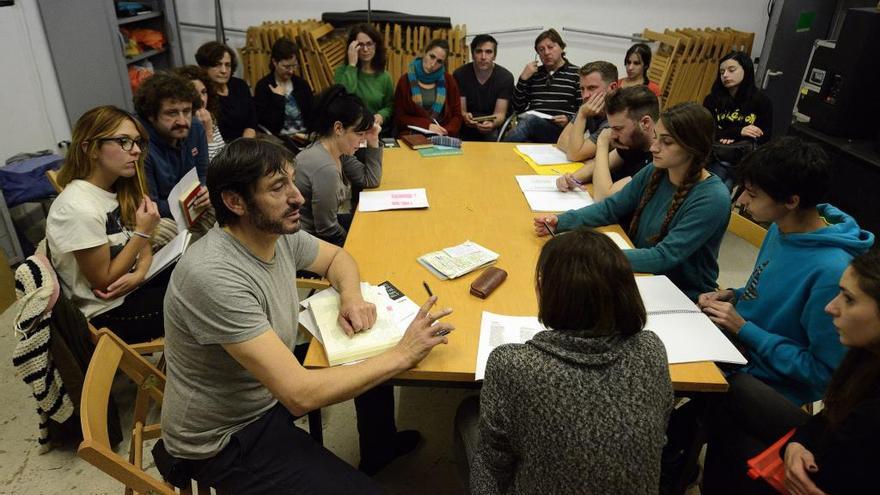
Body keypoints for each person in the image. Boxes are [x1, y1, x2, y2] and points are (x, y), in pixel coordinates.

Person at [155, 138, 453, 493]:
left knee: (366, 350)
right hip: (227, 438)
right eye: (278, 187)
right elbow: (299, 394)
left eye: (292, 181)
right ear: (235, 202)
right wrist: (403, 354)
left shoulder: (273, 234)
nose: (297, 197)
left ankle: (379, 448)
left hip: (261, 391)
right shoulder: (213, 276)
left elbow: (336, 258)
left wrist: (352, 297)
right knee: (383, 360)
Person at [463, 229, 673, 493]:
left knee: (468, 416)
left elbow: (495, 461)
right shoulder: (651, 349)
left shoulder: (511, 364)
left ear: (543, 289)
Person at [699, 136, 874, 405]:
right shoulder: (781, 228)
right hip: (740, 349)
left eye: (753, 194)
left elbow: (823, 374)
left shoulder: (832, 272)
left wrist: (745, 329)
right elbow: (770, 290)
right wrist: (733, 295)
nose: (741, 201)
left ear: (791, 201)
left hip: (770, 382)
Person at [699, 248, 880, 495]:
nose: (830, 307)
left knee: (728, 429)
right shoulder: (865, 358)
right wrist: (798, 444)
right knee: (732, 394)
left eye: (849, 299)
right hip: (824, 455)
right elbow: (832, 417)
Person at [534, 102, 730, 301]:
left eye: (667, 142)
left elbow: (664, 257)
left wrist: (594, 256)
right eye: (656, 137)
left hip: (680, 294)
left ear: (693, 147)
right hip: (639, 276)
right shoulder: (656, 171)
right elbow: (611, 208)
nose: (654, 147)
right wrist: (560, 222)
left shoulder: (712, 198)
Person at [46, 105, 164, 343]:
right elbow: (103, 280)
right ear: (90, 149)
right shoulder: (77, 207)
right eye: (124, 141)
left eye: (138, 142)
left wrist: (140, 272)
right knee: (206, 298)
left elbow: (145, 249)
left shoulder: (117, 188)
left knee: (206, 275)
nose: (137, 151)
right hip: (108, 315)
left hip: (135, 288)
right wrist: (142, 232)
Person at [295, 85, 382, 246]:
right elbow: (327, 231)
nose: (363, 140)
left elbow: (370, 180)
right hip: (306, 243)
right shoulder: (325, 168)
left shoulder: (337, 151)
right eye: (359, 134)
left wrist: (373, 141)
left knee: (377, 225)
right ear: (338, 128)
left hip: (320, 231)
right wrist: (354, 246)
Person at [556, 85, 658, 201]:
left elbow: (603, 197)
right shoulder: (634, 143)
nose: (612, 135)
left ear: (645, 123)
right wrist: (570, 179)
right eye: (611, 128)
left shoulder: (657, 159)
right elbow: (593, 168)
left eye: (618, 129)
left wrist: (602, 143)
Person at [133, 71, 210, 221]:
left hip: (192, 207)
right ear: (151, 115)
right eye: (172, 113)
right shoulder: (139, 146)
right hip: (159, 217)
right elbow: (150, 205)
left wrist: (205, 192)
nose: (182, 121)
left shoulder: (195, 128)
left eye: (187, 111)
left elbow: (203, 174)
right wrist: (190, 203)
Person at [503, 29, 581, 143]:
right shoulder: (533, 74)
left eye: (551, 47)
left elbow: (584, 109)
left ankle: (499, 155)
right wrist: (523, 79)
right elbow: (517, 107)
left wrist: (569, 119)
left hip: (563, 131)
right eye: (541, 49)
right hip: (533, 128)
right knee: (527, 122)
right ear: (537, 54)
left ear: (561, 48)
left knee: (529, 121)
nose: (546, 52)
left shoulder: (577, 74)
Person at [393, 39, 463, 138]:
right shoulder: (405, 80)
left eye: (439, 61)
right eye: (432, 56)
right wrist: (427, 125)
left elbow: (457, 116)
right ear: (424, 53)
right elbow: (399, 117)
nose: (433, 64)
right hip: (412, 135)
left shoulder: (449, 80)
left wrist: (446, 131)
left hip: (442, 136)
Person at [702, 50, 773, 145]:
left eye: (731, 70)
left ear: (746, 70)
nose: (725, 75)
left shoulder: (762, 101)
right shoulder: (711, 100)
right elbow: (706, 133)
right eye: (722, 72)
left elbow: (763, 137)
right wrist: (738, 132)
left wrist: (731, 138)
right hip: (716, 149)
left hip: (746, 153)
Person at [453, 34, 514, 141]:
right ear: (472, 54)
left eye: (488, 52)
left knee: (492, 137)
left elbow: (500, 114)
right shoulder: (460, 75)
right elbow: (461, 111)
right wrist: (465, 116)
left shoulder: (505, 77)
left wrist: (492, 124)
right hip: (466, 126)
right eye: (479, 51)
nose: (483, 57)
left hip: (491, 127)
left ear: (494, 55)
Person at [254, 37, 314, 146]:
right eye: (286, 67)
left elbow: (311, 115)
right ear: (275, 62)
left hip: (304, 138)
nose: (291, 71)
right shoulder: (263, 86)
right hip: (278, 142)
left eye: (294, 66)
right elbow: (266, 123)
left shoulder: (302, 85)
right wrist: (278, 99)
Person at [554, 61, 618, 161]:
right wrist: (579, 151)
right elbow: (561, 140)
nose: (585, 95)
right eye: (582, 89)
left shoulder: (617, 117)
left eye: (592, 88)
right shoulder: (588, 107)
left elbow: (574, 155)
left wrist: (582, 114)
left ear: (612, 88)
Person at [334, 23, 394, 130]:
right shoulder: (342, 71)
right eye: (360, 45)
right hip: (349, 130)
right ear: (352, 47)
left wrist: (381, 115)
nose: (365, 49)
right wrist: (352, 65)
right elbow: (343, 99)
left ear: (376, 45)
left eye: (369, 44)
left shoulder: (384, 76)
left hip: (375, 131)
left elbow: (390, 105)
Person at [196, 41, 258, 141]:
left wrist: (244, 144)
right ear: (204, 67)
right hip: (222, 149)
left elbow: (252, 120)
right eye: (217, 65)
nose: (224, 70)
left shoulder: (240, 85)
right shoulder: (204, 94)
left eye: (228, 65)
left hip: (247, 143)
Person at [173, 65, 226, 160]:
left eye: (204, 92)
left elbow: (223, 154)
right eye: (194, 93)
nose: (201, 99)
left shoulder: (208, 115)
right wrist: (208, 133)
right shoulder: (182, 127)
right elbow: (210, 167)